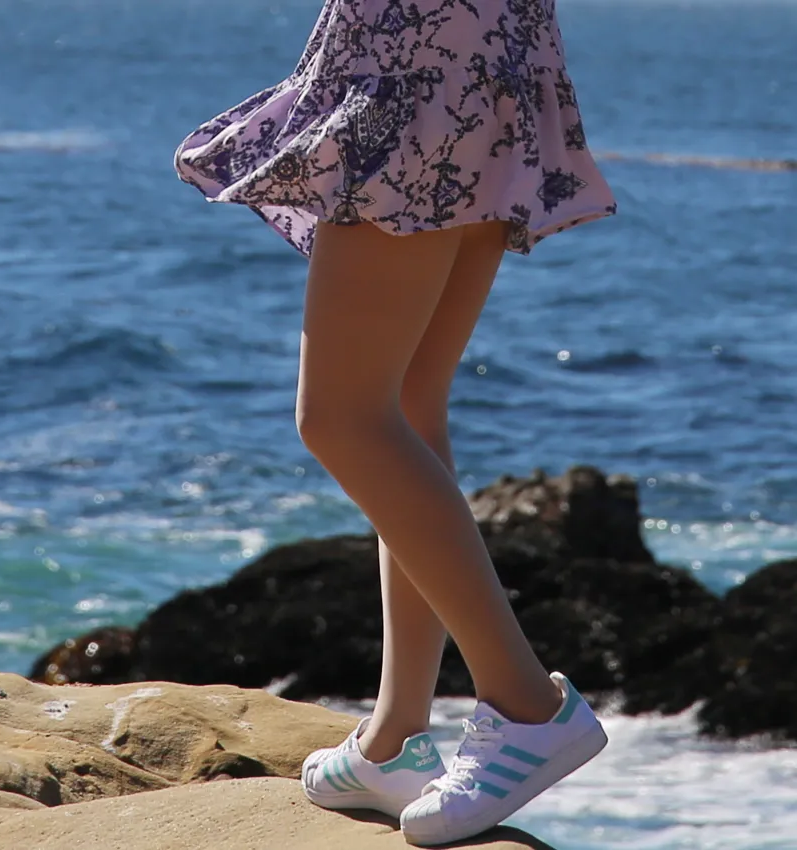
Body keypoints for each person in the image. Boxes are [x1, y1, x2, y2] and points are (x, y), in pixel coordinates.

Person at [173, 0, 616, 845]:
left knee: (341, 418)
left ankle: (525, 705)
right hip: (486, 63)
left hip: (421, 71)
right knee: (406, 405)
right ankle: (392, 737)